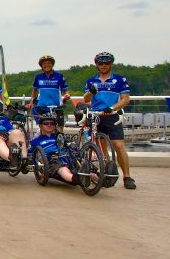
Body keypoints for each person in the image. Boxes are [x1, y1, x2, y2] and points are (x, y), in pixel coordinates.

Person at [82, 51, 136, 189]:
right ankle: (106, 174)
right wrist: (91, 92)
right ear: (97, 65)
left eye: (107, 63)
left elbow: (125, 99)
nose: (104, 65)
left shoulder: (119, 80)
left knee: (118, 145)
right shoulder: (91, 80)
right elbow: (86, 99)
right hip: (96, 116)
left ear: (111, 64)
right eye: (101, 63)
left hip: (112, 115)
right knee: (101, 148)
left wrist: (113, 108)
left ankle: (127, 177)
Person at [28, 112, 76, 184]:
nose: (49, 125)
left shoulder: (60, 137)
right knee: (63, 169)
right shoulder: (35, 141)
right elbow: (31, 157)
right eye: (46, 123)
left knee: (85, 168)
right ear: (40, 125)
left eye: (52, 123)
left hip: (68, 158)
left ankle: (97, 180)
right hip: (51, 162)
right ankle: (75, 179)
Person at [26, 54, 70, 125]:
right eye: (44, 64)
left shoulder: (59, 76)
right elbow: (35, 91)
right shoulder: (38, 77)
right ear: (41, 66)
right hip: (42, 107)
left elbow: (65, 90)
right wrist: (31, 102)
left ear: (52, 64)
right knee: (43, 130)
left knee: (59, 130)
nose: (47, 65)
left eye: (49, 63)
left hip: (57, 107)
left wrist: (67, 95)